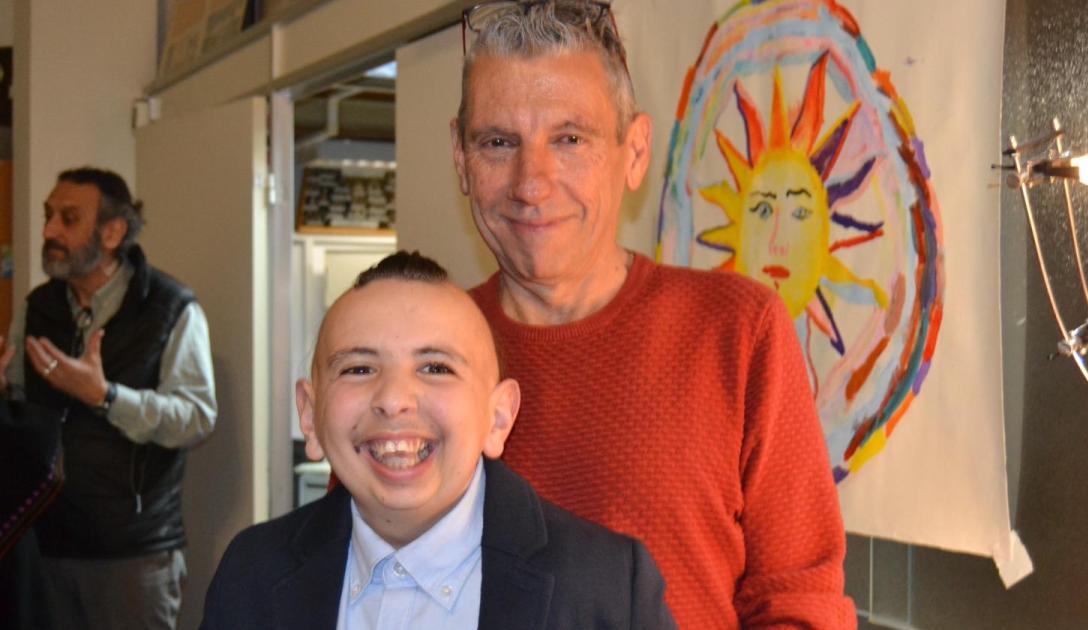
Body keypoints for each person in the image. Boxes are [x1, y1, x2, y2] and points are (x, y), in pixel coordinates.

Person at [450, 2, 856, 628]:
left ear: (635, 151)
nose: (532, 183)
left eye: (570, 139)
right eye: (499, 143)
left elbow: (800, 602)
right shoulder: (421, 354)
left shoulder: (738, 331)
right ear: (461, 158)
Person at [200, 250, 675, 630]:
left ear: (498, 417)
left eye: (435, 367)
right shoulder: (251, 573)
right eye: (359, 368)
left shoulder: (607, 587)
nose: (393, 400)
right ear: (310, 415)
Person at [1, 167, 217, 629]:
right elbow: (18, 410)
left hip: (132, 556)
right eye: (48, 215)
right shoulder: (37, 307)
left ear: (113, 232)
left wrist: (105, 396)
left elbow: (196, 417)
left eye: (68, 218)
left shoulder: (171, 306)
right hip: (43, 545)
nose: (49, 230)